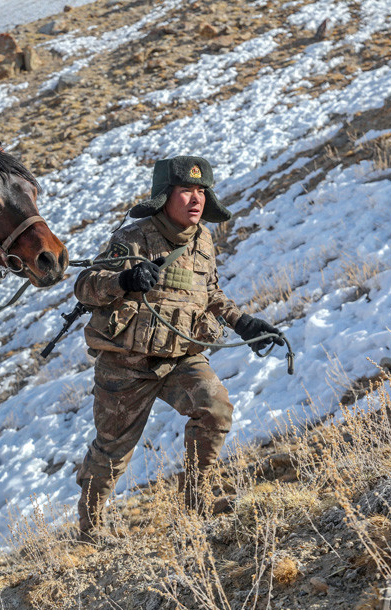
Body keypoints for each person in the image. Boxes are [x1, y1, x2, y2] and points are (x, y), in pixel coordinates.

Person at [73, 155, 284, 540]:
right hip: (126, 364)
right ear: (164, 196)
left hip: (181, 358)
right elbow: (86, 285)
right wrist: (124, 279)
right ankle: (90, 527)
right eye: (186, 190)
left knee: (215, 409)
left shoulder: (204, 239)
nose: (196, 199)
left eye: (202, 191)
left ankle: (197, 500)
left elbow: (212, 293)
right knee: (113, 448)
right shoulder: (132, 238)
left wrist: (244, 324)